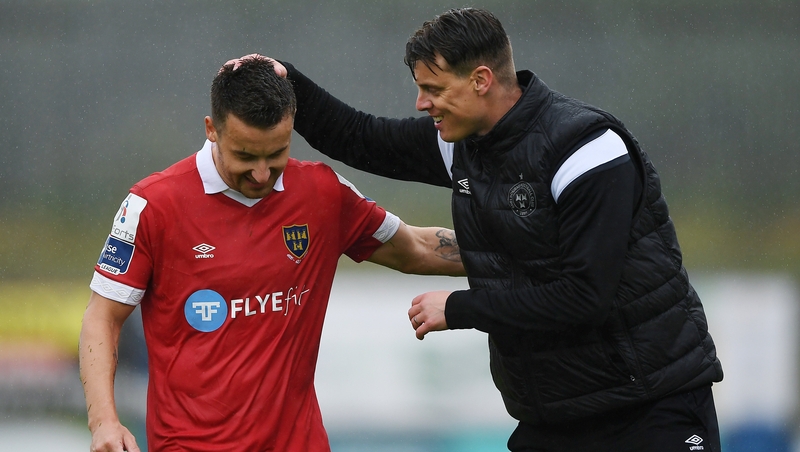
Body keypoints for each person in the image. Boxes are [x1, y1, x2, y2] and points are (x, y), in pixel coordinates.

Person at [246, 6, 725, 452]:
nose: (421, 104)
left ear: (481, 80)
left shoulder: (587, 151)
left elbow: (584, 296)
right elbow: (361, 137)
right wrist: (284, 80)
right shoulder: (462, 142)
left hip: (648, 407)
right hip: (552, 417)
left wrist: (460, 307)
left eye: (433, 90)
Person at [78, 58, 465, 452]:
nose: (262, 173)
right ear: (212, 130)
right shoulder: (152, 204)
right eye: (245, 156)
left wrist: (518, 247)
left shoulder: (321, 192)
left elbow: (415, 249)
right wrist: (104, 422)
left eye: (275, 154)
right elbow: (102, 317)